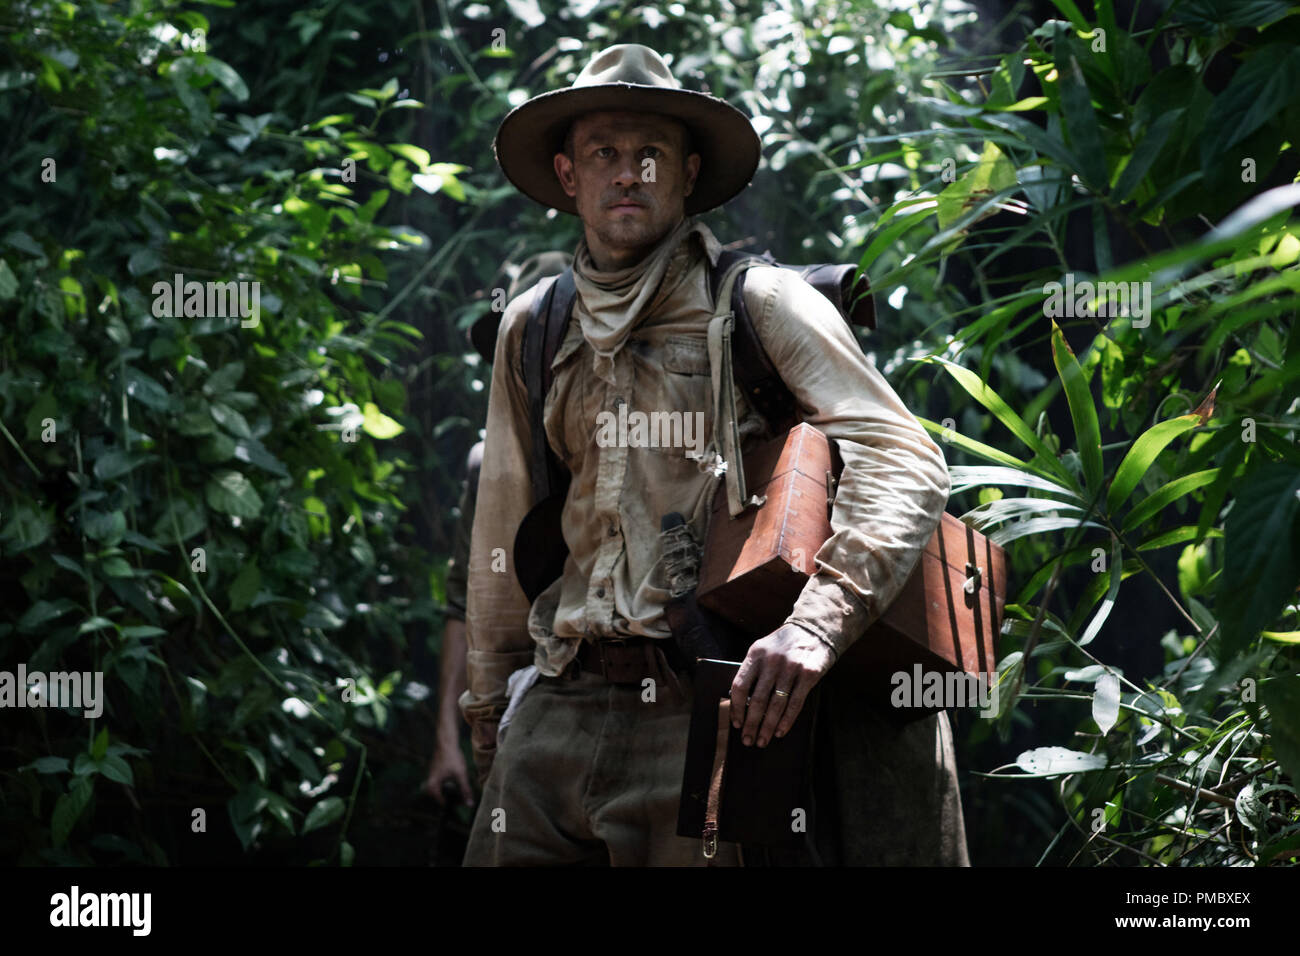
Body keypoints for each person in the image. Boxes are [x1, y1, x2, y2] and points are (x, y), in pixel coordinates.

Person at [461, 43, 968, 865]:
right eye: (604, 154)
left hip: (702, 697)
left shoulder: (759, 301)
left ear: (689, 173)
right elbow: (503, 525)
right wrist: (490, 705)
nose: (630, 173)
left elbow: (902, 454)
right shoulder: (534, 325)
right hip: (560, 698)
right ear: (567, 175)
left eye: (652, 154)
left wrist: (816, 625)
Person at [422, 252, 573, 810]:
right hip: (517, 714)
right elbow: (464, 604)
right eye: (525, 348)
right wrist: (447, 744)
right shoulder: (488, 466)